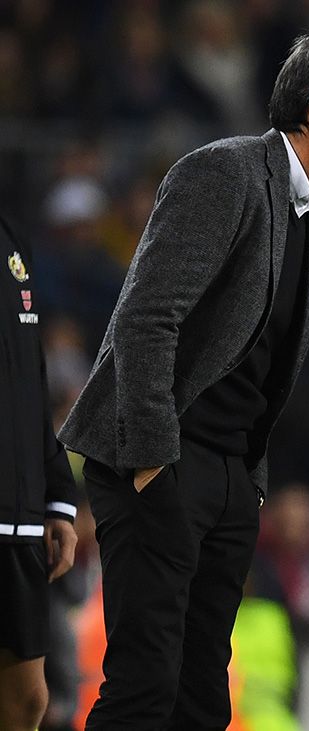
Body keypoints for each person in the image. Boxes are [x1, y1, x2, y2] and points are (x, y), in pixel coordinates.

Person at [58, 32, 309, 729]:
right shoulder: (226, 172)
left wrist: (247, 481)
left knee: (202, 697)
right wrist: (154, 463)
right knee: (143, 689)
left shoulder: (307, 211)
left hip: (228, 478)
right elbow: (147, 318)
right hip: (161, 458)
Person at [0, 213, 78, 731]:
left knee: (28, 700)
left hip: (19, 514)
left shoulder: (10, 233)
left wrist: (55, 493)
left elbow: (30, 372)